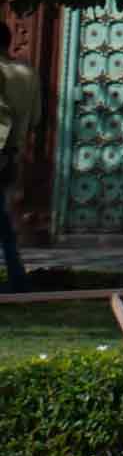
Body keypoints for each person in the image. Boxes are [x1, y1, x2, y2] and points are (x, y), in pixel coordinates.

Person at [0, 48, 37, 293]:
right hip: (12, 154)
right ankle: (17, 277)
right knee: (2, 219)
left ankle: (17, 277)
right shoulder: (27, 73)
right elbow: (35, 118)